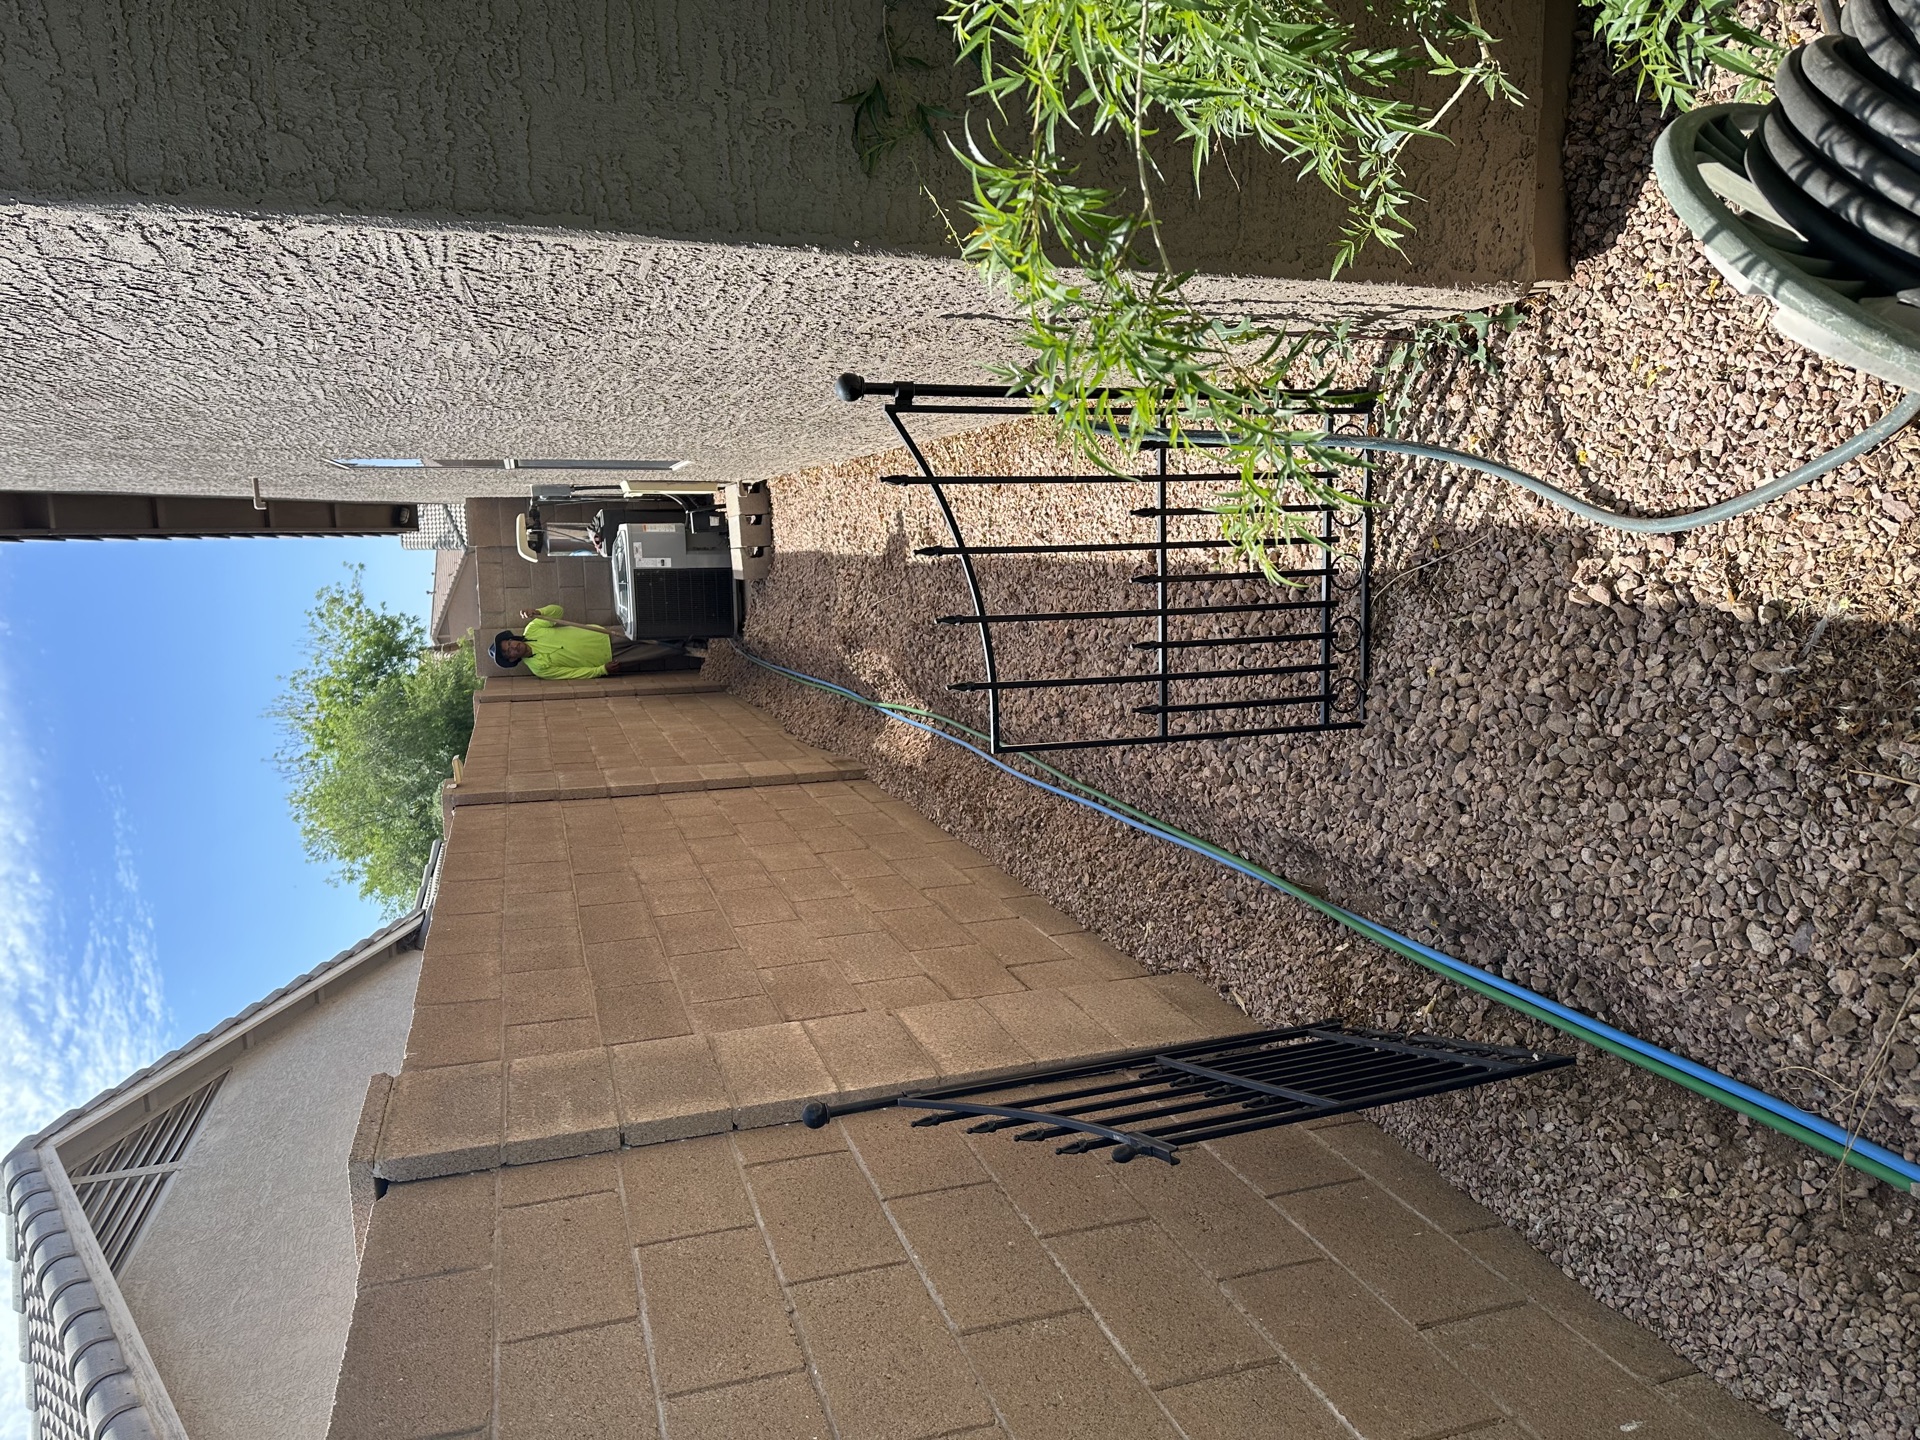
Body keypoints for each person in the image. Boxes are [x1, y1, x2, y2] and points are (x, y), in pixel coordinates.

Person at [488, 605, 701, 679]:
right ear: (512, 660)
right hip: (608, 657)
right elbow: (572, 674)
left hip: (603, 635)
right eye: (509, 653)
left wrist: (539, 612)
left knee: (649, 631)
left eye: (509, 644)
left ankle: (695, 630)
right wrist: (601, 670)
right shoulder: (539, 668)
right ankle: (696, 647)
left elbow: (558, 612)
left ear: (511, 639)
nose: (513, 648)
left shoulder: (532, 628)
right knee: (657, 652)